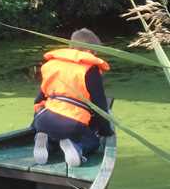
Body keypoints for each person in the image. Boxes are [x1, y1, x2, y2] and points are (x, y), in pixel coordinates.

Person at [32, 28, 114, 167]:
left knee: (55, 134)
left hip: (43, 119)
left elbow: (39, 100)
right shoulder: (90, 70)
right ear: (90, 51)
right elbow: (99, 105)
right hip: (72, 123)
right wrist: (106, 131)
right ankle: (78, 148)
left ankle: (46, 141)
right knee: (92, 142)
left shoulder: (52, 65)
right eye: (95, 52)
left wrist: (35, 123)